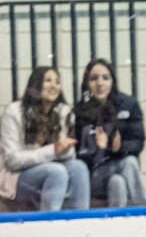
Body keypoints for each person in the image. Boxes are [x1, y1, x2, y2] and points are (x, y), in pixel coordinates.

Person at [0, 66, 90, 211]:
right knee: (56, 172)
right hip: (15, 177)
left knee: (78, 167)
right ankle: (49, 227)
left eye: (57, 82)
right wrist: (53, 150)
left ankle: (80, 225)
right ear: (36, 84)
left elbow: (68, 154)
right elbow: (13, 160)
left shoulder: (63, 112)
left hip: (51, 167)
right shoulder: (14, 111)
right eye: (48, 80)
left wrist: (63, 150)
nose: (54, 86)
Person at [73, 59, 146, 207]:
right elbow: (78, 156)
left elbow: (138, 142)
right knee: (129, 163)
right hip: (93, 175)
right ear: (87, 83)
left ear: (112, 81)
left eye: (105, 78)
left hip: (121, 169)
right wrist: (99, 148)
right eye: (94, 79)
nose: (100, 83)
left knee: (117, 182)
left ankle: (117, 224)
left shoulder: (128, 104)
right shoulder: (79, 111)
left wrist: (116, 148)